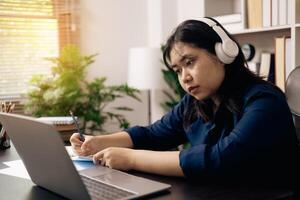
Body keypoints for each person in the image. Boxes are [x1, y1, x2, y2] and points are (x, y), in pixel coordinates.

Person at [70, 18, 300, 184]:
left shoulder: (265, 101)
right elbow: (152, 134)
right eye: (178, 70)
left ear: (223, 53)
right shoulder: (196, 102)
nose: (185, 78)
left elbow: (222, 159)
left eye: (190, 62)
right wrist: (98, 142)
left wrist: (130, 158)